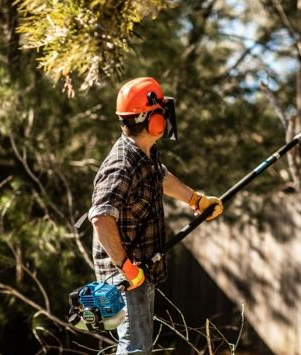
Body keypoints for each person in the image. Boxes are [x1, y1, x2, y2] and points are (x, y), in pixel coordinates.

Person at [88, 77, 223, 354]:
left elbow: (159, 177)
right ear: (152, 120)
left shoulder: (143, 154)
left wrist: (195, 199)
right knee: (135, 349)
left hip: (137, 270)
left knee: (137, 347)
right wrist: (126, 268)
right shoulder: (121, 163)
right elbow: (101, 217)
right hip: (126, 275)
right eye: (161, 110)